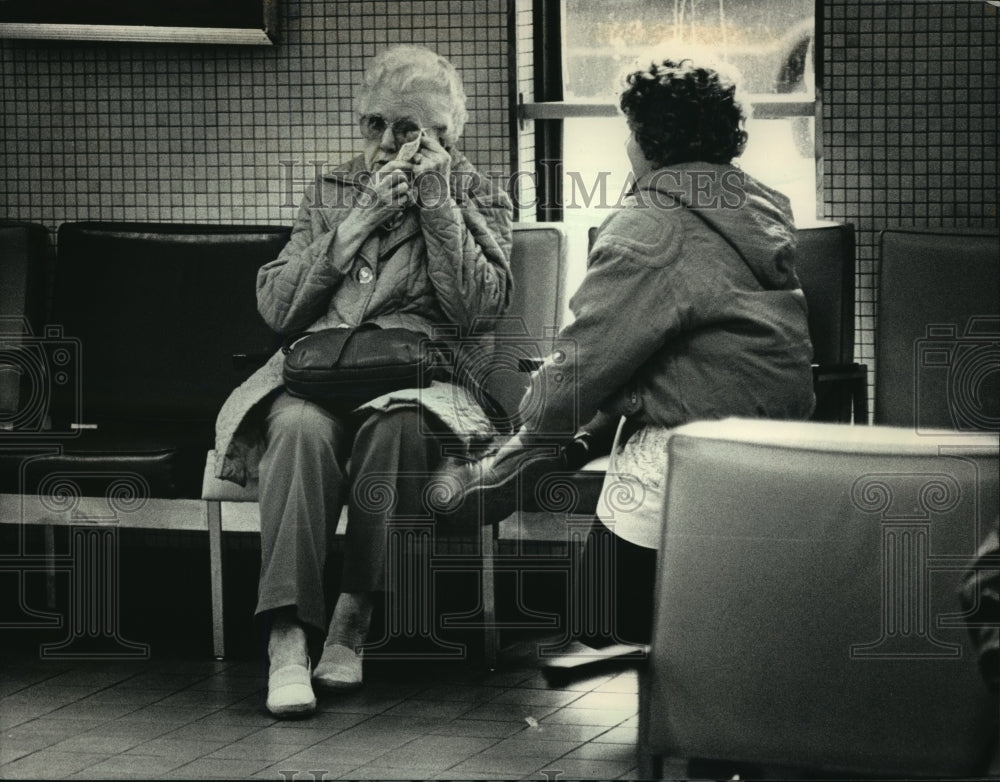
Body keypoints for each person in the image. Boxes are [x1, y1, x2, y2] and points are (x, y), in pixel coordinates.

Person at [468, 57, 816, 651]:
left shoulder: (651, 228)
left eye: (630, 131)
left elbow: (584, 361)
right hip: (780, 449)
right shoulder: (758, 210)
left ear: (650, 140)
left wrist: (533, 423)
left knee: (600, 615)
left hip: (693, 451)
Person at [212, 45, 513, 717]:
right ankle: (287, 636)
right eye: (372, 125)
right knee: (293, 427)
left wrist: (437, 207)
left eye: (405, 129)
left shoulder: (480, 195)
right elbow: (276, 308)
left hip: (425, 381)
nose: (384, 144)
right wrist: (356, 225)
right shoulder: (330, 191)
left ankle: (353, 615)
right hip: (323, 374)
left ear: (446, 132)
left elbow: (480, 307)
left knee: (395, 425)